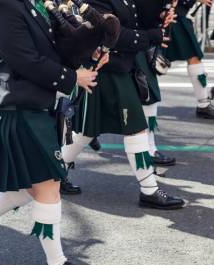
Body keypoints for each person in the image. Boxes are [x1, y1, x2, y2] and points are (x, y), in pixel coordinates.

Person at [0, 0, 100, 265]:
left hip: (39, 106)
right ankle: (56, 263)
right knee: (48, 184)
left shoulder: (38, 5)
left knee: (30, 187)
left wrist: (89, 53)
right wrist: (72, 78)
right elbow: (25, 60)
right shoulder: (3, 7)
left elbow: (57, 50)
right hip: (16, 108)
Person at [61, 0, 185, 210]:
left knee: (87, 132)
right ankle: (149, 190)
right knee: (136, 129)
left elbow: (135, 19)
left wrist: (161, 16)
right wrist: (151, 36)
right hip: (104, 70)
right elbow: (110, 33)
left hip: (118, 67)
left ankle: (53, 173)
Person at [133, 0, 177, 166]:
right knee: (90, 119)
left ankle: (149, 148)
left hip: (141, 41)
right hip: (126, 43)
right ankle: (63, 162)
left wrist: (163, 15)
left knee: (149, 96)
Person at [165, 0, 214, 119]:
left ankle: (203, 103)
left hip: (178, 16)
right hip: (172, 16)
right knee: (155, 63)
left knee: (193, 57)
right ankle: (203, 104)